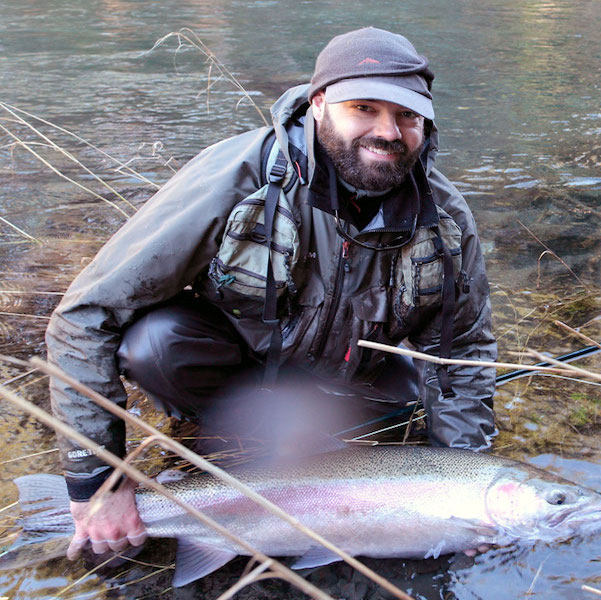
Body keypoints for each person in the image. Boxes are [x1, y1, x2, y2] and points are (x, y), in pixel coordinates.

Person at [45, 27, 497, 560]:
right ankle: (218, 429)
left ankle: (314, 441)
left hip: (354, 390)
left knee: (423, 387)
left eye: (406, 116)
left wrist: (466, 481)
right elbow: (84, 316)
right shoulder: (238, 177)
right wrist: (98, 481)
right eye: (365, 108)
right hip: (243, 373)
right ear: (320, 102)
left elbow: (463, 350)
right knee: (153, 341)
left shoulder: (445, 217)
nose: (388, 132)